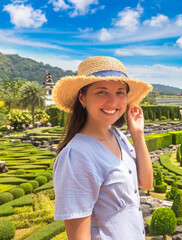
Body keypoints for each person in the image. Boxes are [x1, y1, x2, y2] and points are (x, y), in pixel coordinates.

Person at [52, 56, 153, 240]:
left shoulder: (117, 135)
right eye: (101, 92)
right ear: (82, 98)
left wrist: (138, 135)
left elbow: (146, 183)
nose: (113, 102)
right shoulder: (77, 156)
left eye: (120, 92)